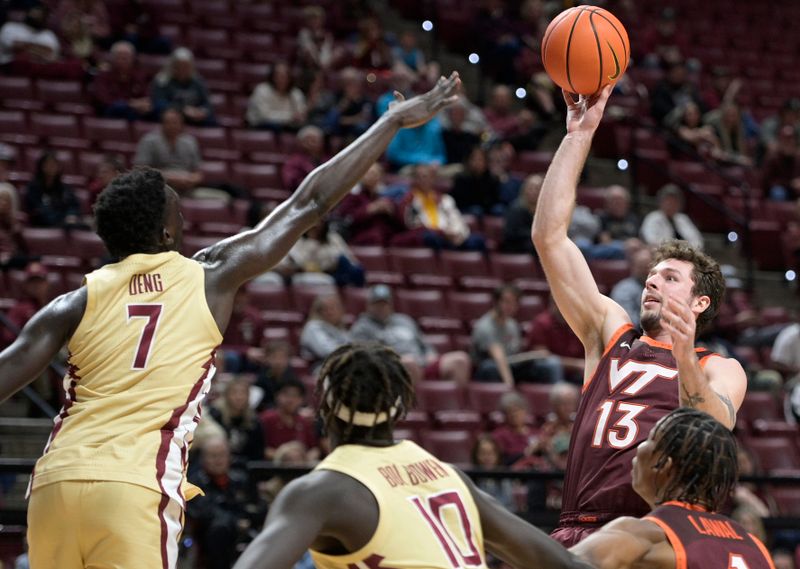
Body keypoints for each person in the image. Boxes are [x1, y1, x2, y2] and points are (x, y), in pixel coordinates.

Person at [0, 72, 462, 568]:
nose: (186, 220)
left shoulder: (72, 303)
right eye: (179, 212)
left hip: (54, 482)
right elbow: (308, 202)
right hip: (133, 485)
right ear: (163, 231)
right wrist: (389, 123)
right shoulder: (208, 275)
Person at [531, 85, 746, 546]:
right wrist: (579, 135)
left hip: (653, 540)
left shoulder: (719, 367)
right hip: (578, 528)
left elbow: (715, 425)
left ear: (700, 302)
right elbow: (550, 237)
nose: (651, 282)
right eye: (651, 275)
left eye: (669, 278)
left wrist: (685, 357)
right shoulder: (610, 334)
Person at [233, 342, 594, 569]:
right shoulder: (447, 474)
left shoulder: (320, 491)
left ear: (324, 408)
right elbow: (559, 563)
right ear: (401, 408)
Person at [570, 408, 775, 569]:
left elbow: (566, 564)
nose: (639, 446)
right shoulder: (754, 546)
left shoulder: (645, 534)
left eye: (650, 439)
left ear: (664, 465)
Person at [350, 284, 471, 384]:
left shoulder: (405, 320)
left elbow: (424, 345)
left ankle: (457, 405)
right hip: (394, 371)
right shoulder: (362, 328)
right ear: (369, 305)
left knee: (460, 360)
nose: (382, 307)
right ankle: (416, 408)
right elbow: (367, 358)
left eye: (385, 303)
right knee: (409, 363)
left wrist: (430, 354)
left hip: (422, 364)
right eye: (377, 303)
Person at [186, 436, 267, 569]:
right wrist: (236, 522)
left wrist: (247, 519)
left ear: (229, 457)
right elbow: (203, 513)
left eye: (222, 455)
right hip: (210, 539)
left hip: (246, 532)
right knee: (220, 529)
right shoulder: (195, 484)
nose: (218, 460)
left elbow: (258, 507)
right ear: (203, 459)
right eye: (213, 456)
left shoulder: (241, 479)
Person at [472, 284, 562, 385]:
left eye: (515, 303)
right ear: (496, 302)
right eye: (507, 302)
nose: (511, 306)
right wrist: (509, 384)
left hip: (511, 364)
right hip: (492, 368)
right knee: (490, 367)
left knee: (549, 364)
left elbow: (516, 354)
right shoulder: (486, 326)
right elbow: (499, 357)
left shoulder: (512, 324)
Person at [132, 107, 204, 195]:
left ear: (182, 124)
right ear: (162, 124)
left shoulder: (190, 142)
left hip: (187, 188)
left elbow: (198, 173)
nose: (172, 126)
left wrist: (191, 179)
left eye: (175, 122)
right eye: (168, 122)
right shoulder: (149, 141)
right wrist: (168, 177)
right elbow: (140, 170)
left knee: (221, 197)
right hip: (157, 188)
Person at [150, 47, 215, 125]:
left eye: (186, 67)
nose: (182, 70)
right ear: (173, 66)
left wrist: (202, 112)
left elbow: (208, 104)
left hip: (195, 118)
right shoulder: (162, 80)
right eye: (179, 66)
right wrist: (182, 110)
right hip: (172, 118)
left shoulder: (198, 81)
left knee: (212, 121)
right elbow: (159, 104)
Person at [91, 40, 153, 120]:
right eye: (120, 57)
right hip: (111, 113)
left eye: (126, 57)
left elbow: (146, 96)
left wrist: (143, 103)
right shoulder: (103, 76)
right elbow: (104, 99)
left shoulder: (140, 75)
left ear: (133, 59)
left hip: (137, 111)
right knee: (119, 107)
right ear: (113, 59)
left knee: (157, 108)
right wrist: (130, 104)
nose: (123, 60)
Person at [259, 379, 318, 462]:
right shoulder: (265, 419)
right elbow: (260, 450)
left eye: (295, 396)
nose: (290, 400)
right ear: (277, 396)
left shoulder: (305, 421)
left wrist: (305, 459)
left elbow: (315, 449)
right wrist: (285, 457)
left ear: (302, 400)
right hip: (273, 468)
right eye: (286, 395)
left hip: (301, 468)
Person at [24, 150, 81, 228]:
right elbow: (36, 210)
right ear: (42, 166)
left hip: (65, 224)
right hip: (42, 225)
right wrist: (60, 219)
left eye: (54, 164)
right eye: (48, 164)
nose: (52, 167)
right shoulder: (33, 188)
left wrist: (71, 215)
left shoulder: (64, 188)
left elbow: (73, 205)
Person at [246, 61, 308, 132]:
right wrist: (291, 116)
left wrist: (297, 117)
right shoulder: (261, 90)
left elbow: (301, 114)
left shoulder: (295, 93)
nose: (281, 78)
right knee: (276, 127)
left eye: (285, 75)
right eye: (278, 75)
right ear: (272, 76)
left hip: (288, 126)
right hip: (260, 125)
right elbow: (264, 115)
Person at [640, 184, 704, 250]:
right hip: (662, 253)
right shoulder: (653, 217)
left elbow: (697, 240)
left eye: (674, 202)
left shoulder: (683, 218)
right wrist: (674, 247)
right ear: (661, 202)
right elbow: (650, 240)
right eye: (668, 201)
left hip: (685, 253)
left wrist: (688, 249)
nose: (671, 205)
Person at [300, 293, 351, 370]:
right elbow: (325, 351)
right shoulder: (313, 327)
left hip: (342, 366)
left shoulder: (340, 329)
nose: (330, 312)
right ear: (318, 311)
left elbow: (352, 345)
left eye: (334, 308)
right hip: (321, 368)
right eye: (325, 309)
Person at [611, 246, 654, 327]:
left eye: (648, 266)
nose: (646, 271)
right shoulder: (624, 289)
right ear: (633, 267)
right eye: (641, 266)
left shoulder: (660, 287)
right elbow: (628, 321)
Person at [501, 173, 542, 255]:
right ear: (524, 189)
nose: (533, 191)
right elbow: (510, 234)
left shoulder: (544, 211)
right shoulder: (515, 208)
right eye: (531, 188)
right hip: (516, 247)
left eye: (537, 188)